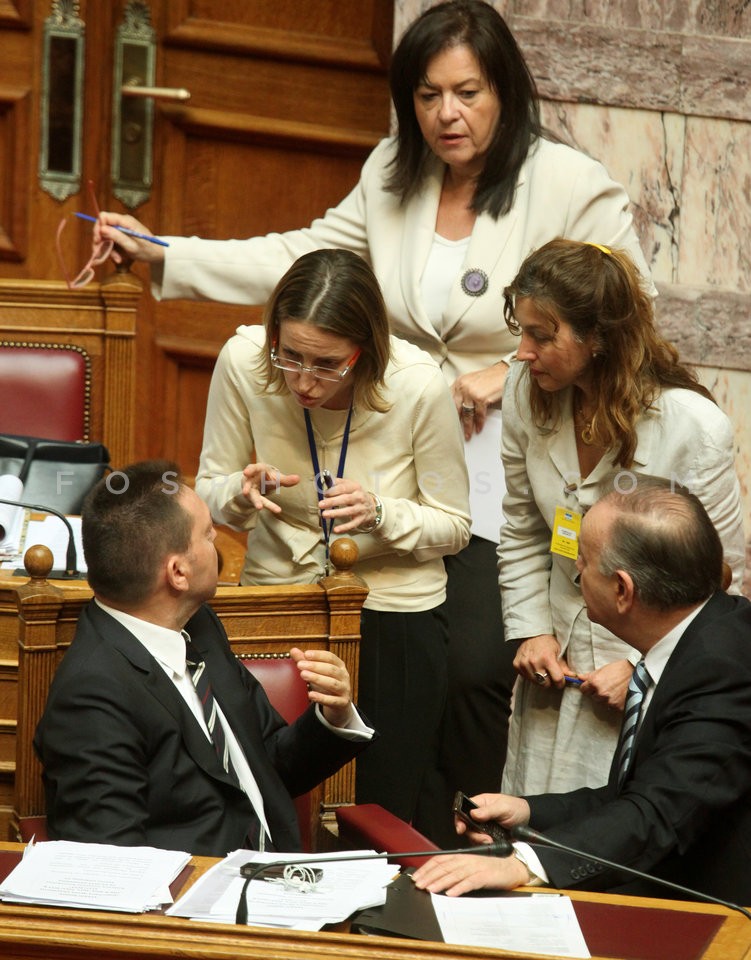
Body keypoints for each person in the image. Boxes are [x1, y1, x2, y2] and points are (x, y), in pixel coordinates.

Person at [94, 0, 653, 843]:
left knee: (471, 670)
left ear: (504, 90)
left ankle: (462, 844)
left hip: (502, 461)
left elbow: (624, 309)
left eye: (467, 92)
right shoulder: (396, 169)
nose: (446, 115)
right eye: (426, 95)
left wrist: (505, 371)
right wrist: (167, 251)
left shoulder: (567, 184)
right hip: (385, 436)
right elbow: (302, 257)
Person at [194, 248, 471, 834]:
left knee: (381, 809)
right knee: (275, 785)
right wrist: (241, 496)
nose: (302, 381)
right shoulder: (244, 361)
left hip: (393, 608)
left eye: (326, 365)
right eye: (289, 356)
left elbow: (454, 525)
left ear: (364, 351)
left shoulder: (418, 385)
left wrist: (379, 512)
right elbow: (209, 488)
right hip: (281, 597)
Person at [412, 478, 751, 904]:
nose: (574, 573)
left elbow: (657, 814)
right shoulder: (698, 638)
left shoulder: (725, 669)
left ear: (623, 590)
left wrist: (523, 866)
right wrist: (530, 812)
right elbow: (634, 794)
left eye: (584, 562)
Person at [498, 238, 745, 798]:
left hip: (634, 673)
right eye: (523, 330)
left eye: (542, 335)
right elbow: (521, 527)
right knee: (527, 826)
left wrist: (643, 672)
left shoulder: (693, 428)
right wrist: (533, 629)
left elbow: (722, 577)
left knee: (608, 836)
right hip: (552, 664)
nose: (521, 353)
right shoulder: (525, 392)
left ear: (600, 338)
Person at [34, 460, 374, 857]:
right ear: (178, 572)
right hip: (195, 907)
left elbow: (268, 765)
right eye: (209, 535)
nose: (219, 543)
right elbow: (113, 866)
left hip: (283, 880)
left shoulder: (199, 626)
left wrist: (332, 718)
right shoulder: (91, 696)